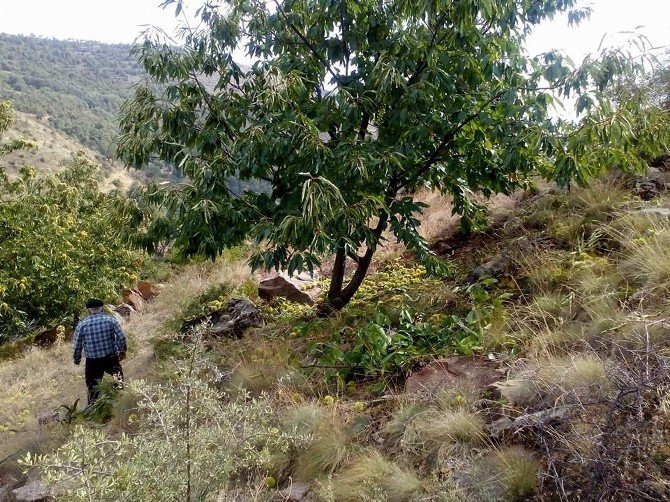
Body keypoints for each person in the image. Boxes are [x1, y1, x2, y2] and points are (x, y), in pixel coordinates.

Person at [72, 298, 127, 405]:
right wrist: (122, 351)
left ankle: (94, 409)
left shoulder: (82, 325)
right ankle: (120, 403)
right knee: (118, 382)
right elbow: (122, 337)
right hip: (111, 358)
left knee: (93, 389)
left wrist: (77, 359)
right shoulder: (110, 320)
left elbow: (77, 345)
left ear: (88, 310)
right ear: (102, 308)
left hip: (92, 361)